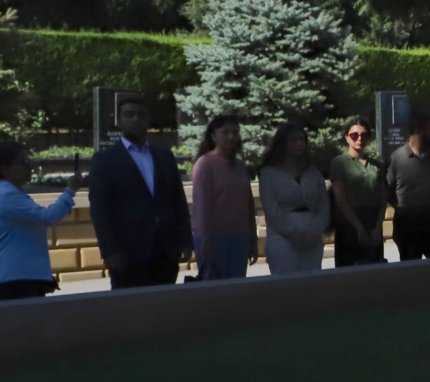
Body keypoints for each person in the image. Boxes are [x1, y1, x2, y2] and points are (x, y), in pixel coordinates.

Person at [88, 94, 192, 289]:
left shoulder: (164, 156)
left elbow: (178, 200)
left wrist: (186, 240)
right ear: (119, 121)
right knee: (129, 313)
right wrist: (109, 250)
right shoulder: (105, 160)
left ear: (148, 120)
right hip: (127, 254)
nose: (136, 119)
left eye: (141, 115)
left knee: (163, 308)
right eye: (129, 114)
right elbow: (100, 210)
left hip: (165, 251)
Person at [0, 143, 81, 300]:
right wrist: (70, 191)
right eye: (24, 162)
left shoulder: (10, 193)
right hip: (17, 279)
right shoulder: (7, 195)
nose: (31, 166)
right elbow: (47, 217)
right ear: (5, 168)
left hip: (20, 277)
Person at [189, 115, 256, 280]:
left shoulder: (240, 166)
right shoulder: (204, 164)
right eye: (225, 132)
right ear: (213, 136)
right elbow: (202, 205)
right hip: (214, 237)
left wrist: (252, 239)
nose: (231, 136)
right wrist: (205, 240)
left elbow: (248, 204)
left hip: (239, 237)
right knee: (214, 291)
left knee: (236, 291)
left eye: (235, 132)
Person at [258, 121, 329, 275]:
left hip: (313, 237)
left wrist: (317, 229)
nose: (299, 144)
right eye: (293, 140)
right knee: (287, 288)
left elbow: (323, 203)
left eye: (301, 140)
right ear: (282, 143)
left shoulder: (312, 171)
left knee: (312, 285)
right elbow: (272, 211)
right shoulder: (269, 174)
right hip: (283, 241)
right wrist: (294, 233)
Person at [385, 113, 430, 260]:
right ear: (418, 130)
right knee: (411, 275)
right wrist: (405, 208)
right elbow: (387, 191)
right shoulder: (397, 157)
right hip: (407, 226)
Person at [328, 115, 386, 266]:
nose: (359, 138)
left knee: (375, 272)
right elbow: (340, 199)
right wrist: (358, 227)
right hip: (349, 223)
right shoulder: (339, 163)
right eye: (354, 135)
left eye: (364, 134)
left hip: (372, 222)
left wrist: (378, 227)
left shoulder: (376, 165)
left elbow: (382, 199)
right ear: (347, 138)